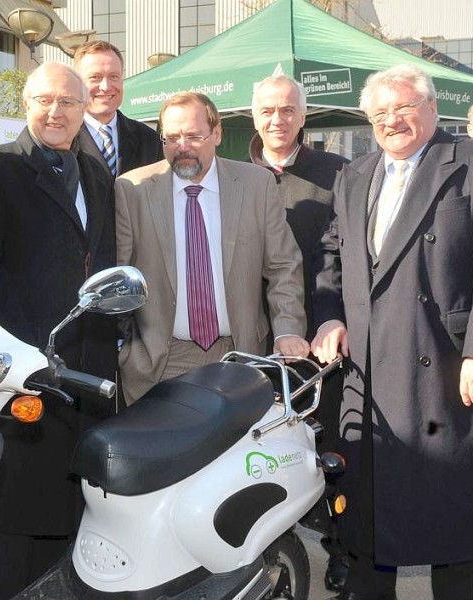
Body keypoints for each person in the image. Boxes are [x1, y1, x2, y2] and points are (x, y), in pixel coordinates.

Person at [311, 63, 473, 600]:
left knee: (452, 522)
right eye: (379, 113)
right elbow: (332, 255)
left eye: (402, 108)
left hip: (443, 366)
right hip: (370, 373)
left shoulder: (467, 164)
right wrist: (330, 315)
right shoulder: (354, 175)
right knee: (370, 522)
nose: (391, 121)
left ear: (431, 108)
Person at [0, 62, 117, 600]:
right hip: (27, 369)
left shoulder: (95, 173)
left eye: (68, 103)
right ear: (27, 104)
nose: (56, 112)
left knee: (74, 508)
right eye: (45, 100)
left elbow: (102, 261)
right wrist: (26, 355)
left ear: (84, 110)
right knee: (21, 510)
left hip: (88, 366)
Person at [115, 91, 310, 405]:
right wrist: (129, 343)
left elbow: (283, 265)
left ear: (217, 133)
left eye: (193, 136)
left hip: (238, 356)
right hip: (161, 361)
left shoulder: (256, 184)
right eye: (172, 138)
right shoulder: (132, 189)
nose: (183, 147)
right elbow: (121, 277)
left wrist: (287, 329)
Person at [249, 74, 350, 593]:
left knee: (331, 445)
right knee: (267, 449)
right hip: (256, 341)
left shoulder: (339, 173)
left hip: (325, 337)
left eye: (288, 110)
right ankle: (270, 547)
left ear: (303, 116)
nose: (277, 119)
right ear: (253, 116)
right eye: (267, 110)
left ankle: (341, 546)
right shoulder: (235, 175)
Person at [73, 40, 163, 177]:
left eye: (113, 76)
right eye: (95, 77)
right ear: (77, 83)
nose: (106, 87)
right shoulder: (64, 138)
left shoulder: (149, 140)